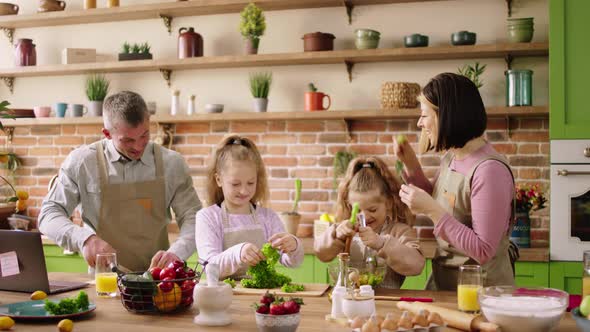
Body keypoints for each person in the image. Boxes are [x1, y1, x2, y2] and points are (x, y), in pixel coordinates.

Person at [39, 91, 201, 272]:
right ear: (107, 133)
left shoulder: (172, 163)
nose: (138, 146)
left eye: (144, 135)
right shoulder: (82, 162)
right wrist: (84, 239)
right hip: (105, 281)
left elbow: (193, 217)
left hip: (158, 280)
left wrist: (177, 253)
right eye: (128, 140)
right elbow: (49, 214)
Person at [395, 72, 516, 291]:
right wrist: (412, 166)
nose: (420, 123)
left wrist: (431, 210)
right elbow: (447, 203)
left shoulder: (489, 171)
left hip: (483, 294)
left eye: (425, 115)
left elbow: (482, 250)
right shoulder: (452, 157)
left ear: (447, 116)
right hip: (446, 285)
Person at [195, 134, 303, 279]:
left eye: (250, 183)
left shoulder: (267, 217)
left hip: (261, 296)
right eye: (235, 184)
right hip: (224, 297)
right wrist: (238, 253)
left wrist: (293, 246)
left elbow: (291, 262)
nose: (244, 190)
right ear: (219, 180)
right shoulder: (208, 217)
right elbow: (209, 268)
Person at [314, 156, 424, 289]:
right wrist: (336, 235)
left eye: (372, 209)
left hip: (385, 303)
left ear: (388, 202)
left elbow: (417, 266)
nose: (364, 216)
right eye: (357, 209)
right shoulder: (344, 229)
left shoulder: (400, 231)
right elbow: (321, 253)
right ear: (349, 205)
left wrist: (382, 243)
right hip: (348, 302)